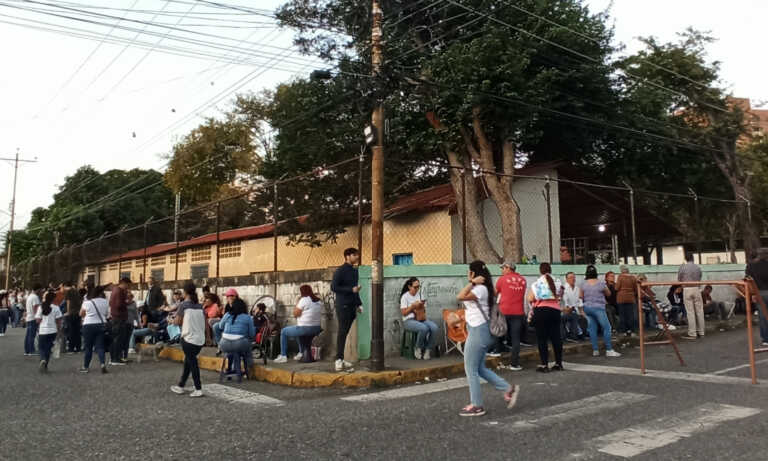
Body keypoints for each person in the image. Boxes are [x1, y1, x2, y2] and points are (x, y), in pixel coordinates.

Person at [456, 260, 519, 417]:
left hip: (479, 331)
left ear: (473, 273)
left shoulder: (481, 289)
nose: (467, 274)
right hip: (477, 329)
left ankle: (477, 405)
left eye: (469, 272)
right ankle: (508, 389)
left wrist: (471, 282)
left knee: (470, 369)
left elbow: (460, 296)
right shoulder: (481, 288)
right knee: (479, 369)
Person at [170, 282, 206, 398]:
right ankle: (180, 386)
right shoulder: (200, 306)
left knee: (192, 362)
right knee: (189, 361)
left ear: (185, 293)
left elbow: (177, 322)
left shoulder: (183, 305)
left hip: (188, 339)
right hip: (200, 339)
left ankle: (198, 388)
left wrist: (170, 320)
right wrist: (209, 338)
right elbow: (205, 323)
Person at [527, 263, 564, 372]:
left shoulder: (537, 283)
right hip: (555, 311)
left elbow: (530, 298)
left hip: (541, 311)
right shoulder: (558, 281)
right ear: (550, 270)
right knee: (556, 338)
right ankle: (559, 363)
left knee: (542, 339)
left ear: (540, 271)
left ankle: (544, 365)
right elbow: (560, 296)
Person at [331, 247, 363, 372]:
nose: (357, 257)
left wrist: (359, 304)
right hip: (342, 305)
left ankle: (341, 358)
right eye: (355, 255)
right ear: (347, 256)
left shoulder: (355, 271)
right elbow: (333, 287)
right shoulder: (340, 270)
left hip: (352, 305)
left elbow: (355, 289)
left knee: (345, 332)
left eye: (357, 255)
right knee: (342, 332)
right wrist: (350, 290)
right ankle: (338, 359)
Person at [274, 285, 324, 363]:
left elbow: (295, 314)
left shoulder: (304, 299)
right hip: (317, 328)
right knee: (297, 333)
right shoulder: (318, 301)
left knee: (283, 331)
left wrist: (297, 303)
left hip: (305, 328)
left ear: (302, 292)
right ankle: (301, 353)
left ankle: (283, 355)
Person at [580, 265, 621, 358]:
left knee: (592, 328)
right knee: (607, 327)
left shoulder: (583, 284)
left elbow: (580, 296)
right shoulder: (601, 283)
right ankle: (609, 349)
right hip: (598, 308)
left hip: (587, 308)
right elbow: (608, 293)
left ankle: (595, 350)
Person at [398, 277, 439, 360]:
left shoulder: (420, 295)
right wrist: (412, 307)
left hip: (420, 318)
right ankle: (418, 347)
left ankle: (428, 349)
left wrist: (421, 306)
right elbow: (404, 313)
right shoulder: (405, 297)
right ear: (409, 287)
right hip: (408, 321)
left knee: (434, 328)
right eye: (415, 287)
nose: (417, 289)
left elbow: (423, 310)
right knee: (424, 328)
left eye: (418, 287)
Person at [495, 262, 527, 371]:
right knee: (515, 339)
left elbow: (495, 292)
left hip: (504, 311)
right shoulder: (523, 280)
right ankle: (514, 364)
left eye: (503, 268)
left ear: (508, 268)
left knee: (499, 332)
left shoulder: (502, 279)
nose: (502, 270)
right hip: (518, 312)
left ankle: (497, 352)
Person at [217, 296, 256, 374]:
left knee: (234, 349)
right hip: (239, 344)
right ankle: (249, 367)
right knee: (247, 345)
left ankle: (231, 368)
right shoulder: (248, 318)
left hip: (224, 345)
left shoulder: (227, 314)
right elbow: (252, 334)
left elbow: (220, 326)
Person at [80, 285, 109, 374]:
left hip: (88, 325)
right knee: (100, 346)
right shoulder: (105, 302)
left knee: (88, 347)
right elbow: (106, 314)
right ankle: (102, 364)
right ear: (101, 293)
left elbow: (81, 314)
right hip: (101, 324)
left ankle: (85, 367)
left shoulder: (87, 302)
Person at [678, 253, 704, 340]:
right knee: (699, 311)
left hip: (687, 289)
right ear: (693, 258)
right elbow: (700, 277)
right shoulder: (697, 267)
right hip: (697, 288)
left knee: (690, 312)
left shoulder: (682, 267)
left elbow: (679, 279)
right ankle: (701, 331)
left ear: (685, 258)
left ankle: (692, 333)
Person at [35, 291, 62, 373]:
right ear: (53, 299)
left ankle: (42, 359)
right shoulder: (56, 308)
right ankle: (45, 365)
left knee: (41, 347)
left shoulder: (41, 307)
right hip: (53, 330)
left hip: (43, 330)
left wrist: (41, 321)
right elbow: (58, 321)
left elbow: (38, 320)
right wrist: (59, 331)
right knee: (48, 348)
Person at [746, 248, 768, 347]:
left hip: (758, 292)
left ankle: (765, 339)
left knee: (762, 316)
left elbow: (747, 280)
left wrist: (752, 294)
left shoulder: (751, 265)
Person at [108, 278, 132, 365]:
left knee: (116, 338)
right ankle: (116, 359)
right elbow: (119, 305)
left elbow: (111, 303)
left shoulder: (114, 290)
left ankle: (114, 358)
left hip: (115, 317)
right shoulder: (120, 291)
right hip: (119, 318)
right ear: (124, 283)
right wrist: (127, 302)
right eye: (128, 285)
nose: (128, 287)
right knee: (119, 338)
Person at [560, 272, 583, 343]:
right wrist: (568, 309)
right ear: (566, 279)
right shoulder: (564, 289)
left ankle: (577, 334)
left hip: (575, 311)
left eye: (573, 277)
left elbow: (580, 303)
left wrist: (582, 312)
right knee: (573, 315)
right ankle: (573, 335)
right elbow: (565, 303)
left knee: (578, 315)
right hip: (564, 312)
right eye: (570, 278)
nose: (573, 279)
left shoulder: (577, 289)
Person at [615, 266, 638, 337]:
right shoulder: (633, 278)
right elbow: (636, 289)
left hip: (621, 298)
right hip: (631, 298)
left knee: (622, 315)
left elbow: (616, 288)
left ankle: (624, 331)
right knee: (631, 315)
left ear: (622, 271)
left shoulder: (620, 277)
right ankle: (632, 331)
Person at [24, 284, 43, 356]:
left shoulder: (29, 296)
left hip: (29, 317)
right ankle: (31, 350)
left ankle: (27, 350)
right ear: (37, 289)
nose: (41, 291)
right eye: (40, 290)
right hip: (33, 318)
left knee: (28, 335)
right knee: (32, 335)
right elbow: (36, 307)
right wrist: (38, 317)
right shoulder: (35, 297)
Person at [64, 283, 82, 353]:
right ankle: (78, 348)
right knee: (77, 331)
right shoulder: (76, 291)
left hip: (71, 313)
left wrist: (68, 312)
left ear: (65, 286)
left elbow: (68, 302)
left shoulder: (69, 292)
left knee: (71, 331)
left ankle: (71, 348)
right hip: (78, 313)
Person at [123, 291, 139, 360]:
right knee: (122, 339)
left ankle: (125, 356)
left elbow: (136, 314)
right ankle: (120, 355)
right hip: (123, 323)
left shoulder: (134, 303)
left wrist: (138, 322)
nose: (129, 298)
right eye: (128, 296)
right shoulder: (123, 303)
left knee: (127, 340)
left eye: (131, 296)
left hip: (130, 323)